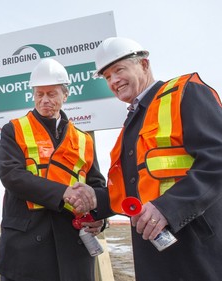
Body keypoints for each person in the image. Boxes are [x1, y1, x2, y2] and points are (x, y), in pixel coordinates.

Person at [93, 37, 222, 280]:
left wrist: (168, 208)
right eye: (107, 77)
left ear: (143, 64)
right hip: (155, 250)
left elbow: (217, 159)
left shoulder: (185, 93)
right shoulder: (133, 121)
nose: (114, 81)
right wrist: (94, 203)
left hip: (195, 247)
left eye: (119, 70)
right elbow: (132, 188)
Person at [0, 58, 107, 281]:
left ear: (65, 95)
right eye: (39, 94)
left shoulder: (83, 139)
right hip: (27, 245)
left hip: (73, 243)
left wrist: (98, 216)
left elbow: (97, 186)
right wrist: (63, 193)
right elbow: (11, 175)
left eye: (52, 94)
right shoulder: (14, 129)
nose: (45, 100)